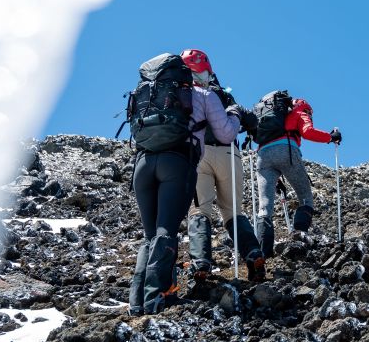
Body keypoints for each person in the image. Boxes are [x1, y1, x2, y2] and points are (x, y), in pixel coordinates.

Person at [128, 53, 243, 316]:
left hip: (143, 164)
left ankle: (137, 301)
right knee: (166, 230)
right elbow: (226, 133)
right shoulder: (202, 95)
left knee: (149, 236)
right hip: (177, 164)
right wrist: (235, 115)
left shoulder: (148, 93)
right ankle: (156, 296)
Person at [180, 49, 266, 283]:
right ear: (209, 71)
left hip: (198, 155)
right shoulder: (222, 95)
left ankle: (200, 264)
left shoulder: (183, 93)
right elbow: (249, 119)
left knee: (200, 210)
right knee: (232, 211)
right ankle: (253, 254)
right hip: (229, 154)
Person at [252, 93, 341, 256]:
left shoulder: (275, 117)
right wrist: (330, 137)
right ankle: (298, 238)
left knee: (265, 207)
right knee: (306, 197)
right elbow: (308, 132)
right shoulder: (300, 112)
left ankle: (262, 254)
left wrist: (277, 176)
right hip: (287, 150)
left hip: (262, 156)